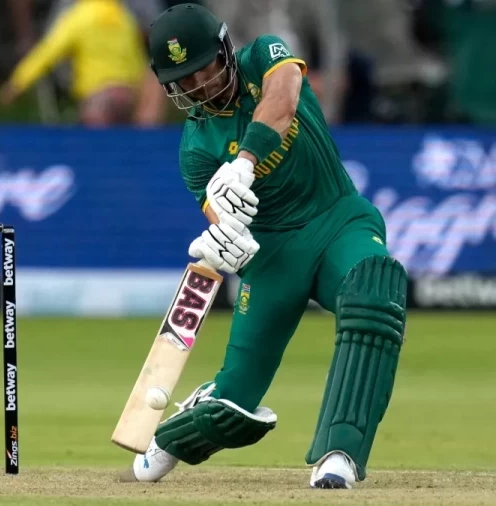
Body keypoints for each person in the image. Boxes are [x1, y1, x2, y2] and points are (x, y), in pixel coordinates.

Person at [131, 4, 407, 489]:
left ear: (225, 51)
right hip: (273, 258)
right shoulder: (194, 150)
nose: (199, 86)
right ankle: (179, 430)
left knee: (374, 289)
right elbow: (220, 217)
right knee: (234, 406)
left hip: (337, 219)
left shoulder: (264, 56)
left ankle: (339, 454)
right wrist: (225, 240)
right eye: (184, 80)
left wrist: (245, 161)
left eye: (204, 69)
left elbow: (283, 99)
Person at [0, 0, 149, 127]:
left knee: (94, 147)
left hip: (98, 98)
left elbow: (47, 52)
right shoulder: (124, 17)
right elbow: (137, 59)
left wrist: (15, 85)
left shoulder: (79, 17)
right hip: (128, 95)